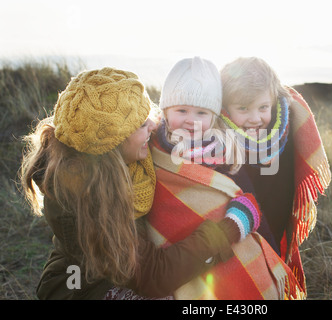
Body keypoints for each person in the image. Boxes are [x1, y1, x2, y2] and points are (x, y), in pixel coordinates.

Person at [20, 67, 260, 300]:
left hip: (112, 275)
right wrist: (229, 228)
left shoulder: (116, 163)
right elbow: (155, 277)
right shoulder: (85, 198)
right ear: (113, 141)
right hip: (82, 289)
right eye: (142, 124)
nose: (154, 126)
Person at [147, 56, 302, 299]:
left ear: (214, 116)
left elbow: (243, 197)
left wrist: (263, 247)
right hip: (170, 256)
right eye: (181, 110)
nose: (190, 119)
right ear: (165, 110)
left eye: (201, 112)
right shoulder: (152, 148)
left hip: (219, 247)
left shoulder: (223, 152)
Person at [220, 57, 331, 295]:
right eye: (243, 109)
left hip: (275, 221)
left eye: (263, 108)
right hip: (235, 230)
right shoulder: (218, 138)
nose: (255, 118)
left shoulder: (285, 129)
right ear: (225, 107)